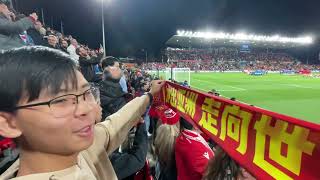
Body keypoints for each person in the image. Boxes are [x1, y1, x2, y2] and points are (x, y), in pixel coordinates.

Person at [0, 46, 165, 179]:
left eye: (86, 93)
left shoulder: (83, 149)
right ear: (8, 123)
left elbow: (114, 124)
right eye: (61, 100)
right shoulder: (81, 148)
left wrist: (149, 95)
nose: (87, 108)